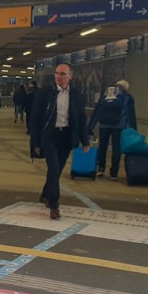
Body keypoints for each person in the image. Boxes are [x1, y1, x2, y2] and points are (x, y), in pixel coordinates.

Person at [30, 63, 90, 220]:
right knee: (54, 170)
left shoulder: (77, 95)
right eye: (57, 73)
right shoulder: (45, 93)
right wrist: (35, 141)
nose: (59, 76)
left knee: (55, 172)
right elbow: (35, 118)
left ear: (70, 76)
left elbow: (81, 119)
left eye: (63, 74)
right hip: (50, 137)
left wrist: (85, 140)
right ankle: (54, 205)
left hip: (66, 138)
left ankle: (45, 194)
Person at [87, 79, 137, 180]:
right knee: (116, 149)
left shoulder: (106, 95)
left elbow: (97, 112)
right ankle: (114, 173)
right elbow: (131, 114)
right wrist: (133, 129)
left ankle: (101, 168)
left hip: (104, 125)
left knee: (102, 147)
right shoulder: (127, 97)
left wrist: (89, 128)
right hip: (119, 127)